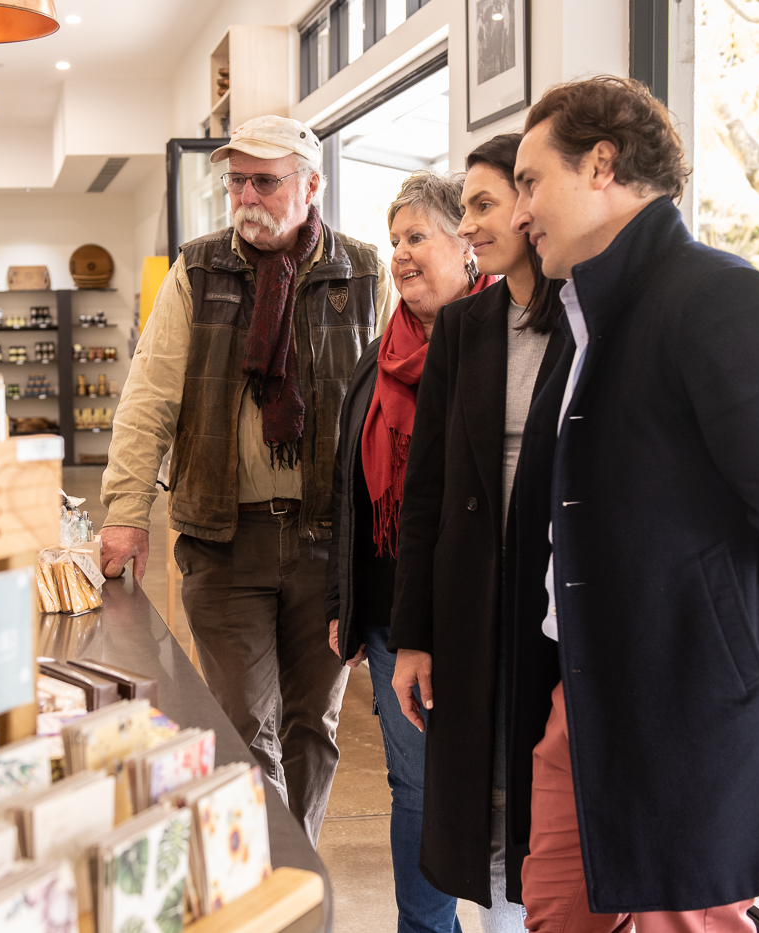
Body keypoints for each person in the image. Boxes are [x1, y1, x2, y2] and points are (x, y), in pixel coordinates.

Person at [505, 77, 759, 932]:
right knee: (556, 913)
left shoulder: (719, 298)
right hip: (582, 697)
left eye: (530, 182)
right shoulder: (589, 317)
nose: (521, 213)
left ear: (601, 164)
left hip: (689, 714)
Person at [100, 115, 390, 845]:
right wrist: (125, 511)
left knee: (312, 724)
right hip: (225, 541)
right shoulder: (197, 271)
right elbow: (149, 397)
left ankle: (296, 864)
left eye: (264, 181)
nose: (246, 197)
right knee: (241, 724)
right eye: (236, 182)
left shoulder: (365, 273)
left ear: (312, 184)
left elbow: (395, 407)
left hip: (329, 543)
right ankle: (264, 869)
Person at [384, 133, 567, 932]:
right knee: (484, 804)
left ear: (532, 206)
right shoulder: (465, 326)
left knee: (547, 807)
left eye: (483, 204)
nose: (468, 225)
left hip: (555, 605)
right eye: (465, 207)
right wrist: (414, 635)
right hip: (473, 608)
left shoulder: (590, 320)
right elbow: (425, 492)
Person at [325, 169, 501, 933]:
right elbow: (350, 493)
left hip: (485, 613)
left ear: (467, 244)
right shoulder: (377, 357)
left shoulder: (508, 343)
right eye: (395, 239)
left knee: (502, 787)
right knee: (417, 786)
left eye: (417, 236)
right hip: (394, 615)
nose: (399, 253)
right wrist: (344, 601)